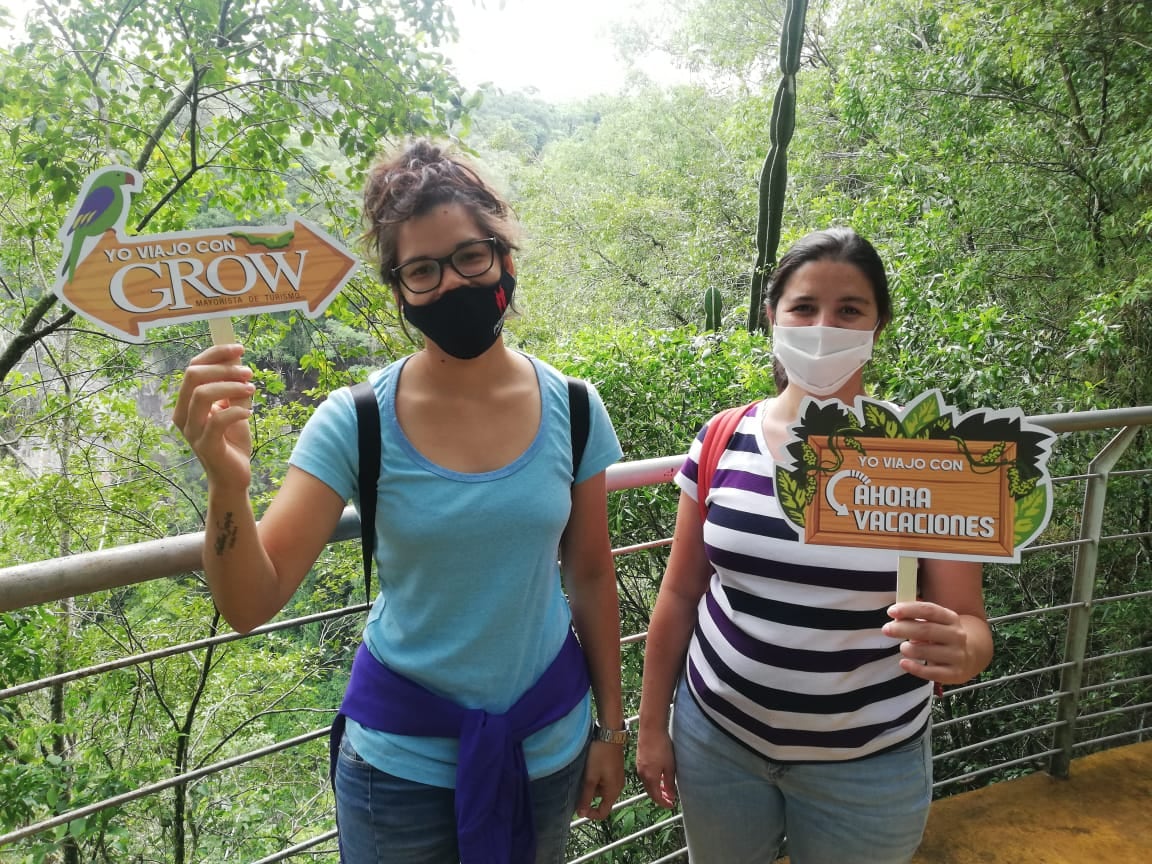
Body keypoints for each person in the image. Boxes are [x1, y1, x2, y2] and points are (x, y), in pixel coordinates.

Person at [173, 139, 627, 864]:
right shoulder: (355, 421)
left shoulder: (574, 409)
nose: (451, 284)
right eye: (422, 270)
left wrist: (612, 728)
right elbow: (250, 603)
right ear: (399, 289)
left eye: (470, 257)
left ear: (505, 257)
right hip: (399, 770)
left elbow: (593, 573)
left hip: (547, 745)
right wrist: (227, 485)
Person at [636, 227, 993, 864]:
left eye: (849, 309)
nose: (823, 326)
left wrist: (964, 650)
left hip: (867, 769)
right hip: (716, 742)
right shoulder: (722, 438)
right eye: (804, 307)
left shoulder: (926, 461)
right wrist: (651, 726)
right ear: (771, 316)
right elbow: (681, 591)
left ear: (877, 324)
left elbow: (971, 623)